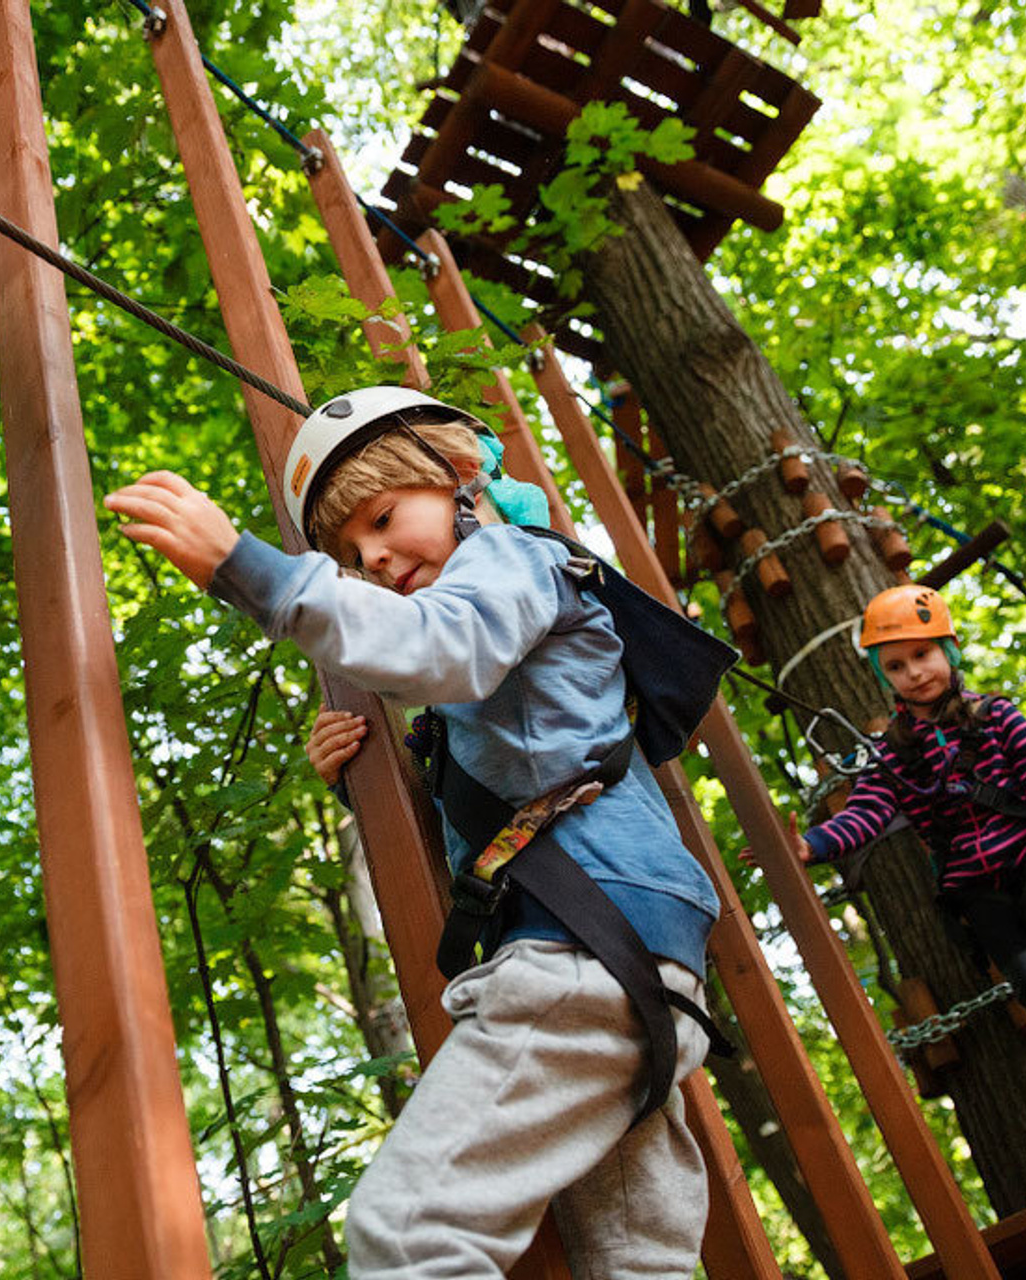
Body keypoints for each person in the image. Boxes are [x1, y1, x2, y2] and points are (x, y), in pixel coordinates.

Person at [104, 385, 733, 1279]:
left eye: (384, 516)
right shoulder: (487, 653)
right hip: (641, 964)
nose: (375, 556)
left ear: (462, 476)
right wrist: (375, 784)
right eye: (353, 552)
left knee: (410, 1233)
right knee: (637, 1263)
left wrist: (250, 569)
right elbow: (510, 771)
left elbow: (440, 645)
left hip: (582, 957)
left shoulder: (514, 561)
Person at [745, 583, 1026, 997]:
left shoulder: (995, 716)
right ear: (883, 676)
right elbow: (864, 813)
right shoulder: (892, 754)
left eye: (922, 655)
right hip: (979, 893)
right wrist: (812, 845)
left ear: (948, 650)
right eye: (895, 666)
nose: (912, 673)